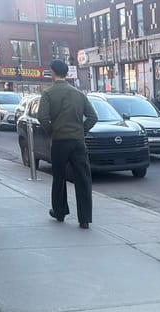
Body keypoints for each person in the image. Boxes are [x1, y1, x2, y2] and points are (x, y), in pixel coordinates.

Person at [37, 59, 98, 229]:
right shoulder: (79, 94)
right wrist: (81, 131)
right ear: (67, 74)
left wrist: (53, 130)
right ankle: (84, 218)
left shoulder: (48, 93)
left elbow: (41, 117)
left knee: (59, 177)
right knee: (83, 179)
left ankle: (60, 211)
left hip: (60, 142)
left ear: (52, 72)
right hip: (78, 142)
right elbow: (93, 117)